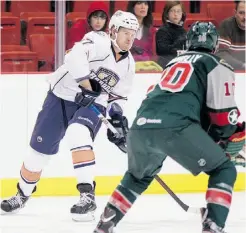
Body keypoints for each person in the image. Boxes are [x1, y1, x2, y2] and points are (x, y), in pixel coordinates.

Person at [93, 22, 245, 233]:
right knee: (224, 169)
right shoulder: (215, 63)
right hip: (176, 127)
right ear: (216, 44)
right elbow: (221, 116)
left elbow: (159, 97)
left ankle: (105, 224)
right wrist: (226, 139)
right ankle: (213, 227)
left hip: (141, 126)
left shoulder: (172, 63)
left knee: (138, 177)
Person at [1, 10, 139, 222]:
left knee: (78, 133)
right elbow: (73, 56)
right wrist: (86, 85)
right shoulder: (97, 40)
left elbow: (118, 96)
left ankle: (87, 195)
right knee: (38, 153)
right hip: (61, 96)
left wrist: (118, 118)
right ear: (113, 31)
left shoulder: (129, 64)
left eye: (133, 33)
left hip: (93, 104)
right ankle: (22, 195)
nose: (130, 38)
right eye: (125, 33)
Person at [156, 1, 186, 69]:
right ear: (167, 14)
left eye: (178, 11)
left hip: (181, 64)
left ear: (182, 14)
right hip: (166, 66)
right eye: (172, 11)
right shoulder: (163, 30)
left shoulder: (183, 30)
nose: (176, 14)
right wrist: (178, 43)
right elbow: (162, 51)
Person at [216, 0, 245, 70]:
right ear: (235, 13)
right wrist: (243, 65)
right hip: (231, 71)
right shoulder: (226, 25)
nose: (245, 17)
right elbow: (221, 54)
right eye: (241, 13)